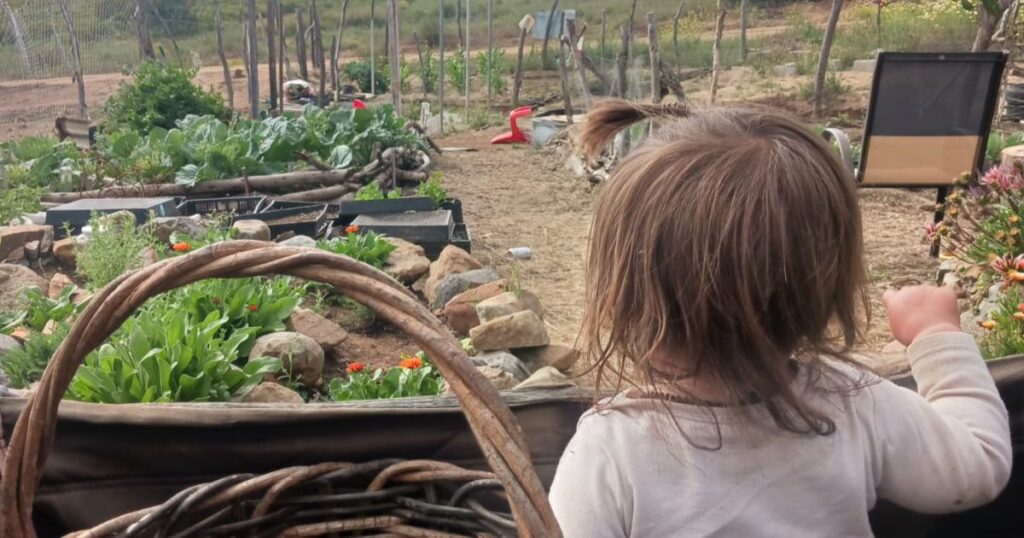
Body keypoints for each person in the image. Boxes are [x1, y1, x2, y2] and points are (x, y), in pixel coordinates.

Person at [549, 100, 1012, 537]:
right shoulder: (852, 401)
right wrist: (937, 335)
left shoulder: (608, 452)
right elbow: (977, 466)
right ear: (825, 284)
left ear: (623, 291)